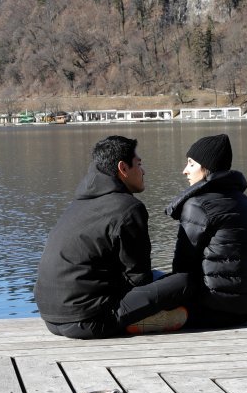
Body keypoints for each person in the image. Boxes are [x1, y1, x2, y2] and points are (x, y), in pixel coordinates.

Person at [34, 135, 193, 339]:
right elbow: (139, 278)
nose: (143, 171)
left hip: (51, 319)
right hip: (91, 321)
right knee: (185, 281)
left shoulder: (79, 204)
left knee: (161, 280)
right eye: (139, 164)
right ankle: (141, 321)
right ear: (123, 168)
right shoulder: (128, 208)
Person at [166, 133, 247, 328]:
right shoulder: (243, 201)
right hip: (246, 308)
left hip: (212, 308)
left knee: (151, 282)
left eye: (191, 164)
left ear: (206, 168)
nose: (185, 170)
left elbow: (182, 266)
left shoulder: (198, 204)